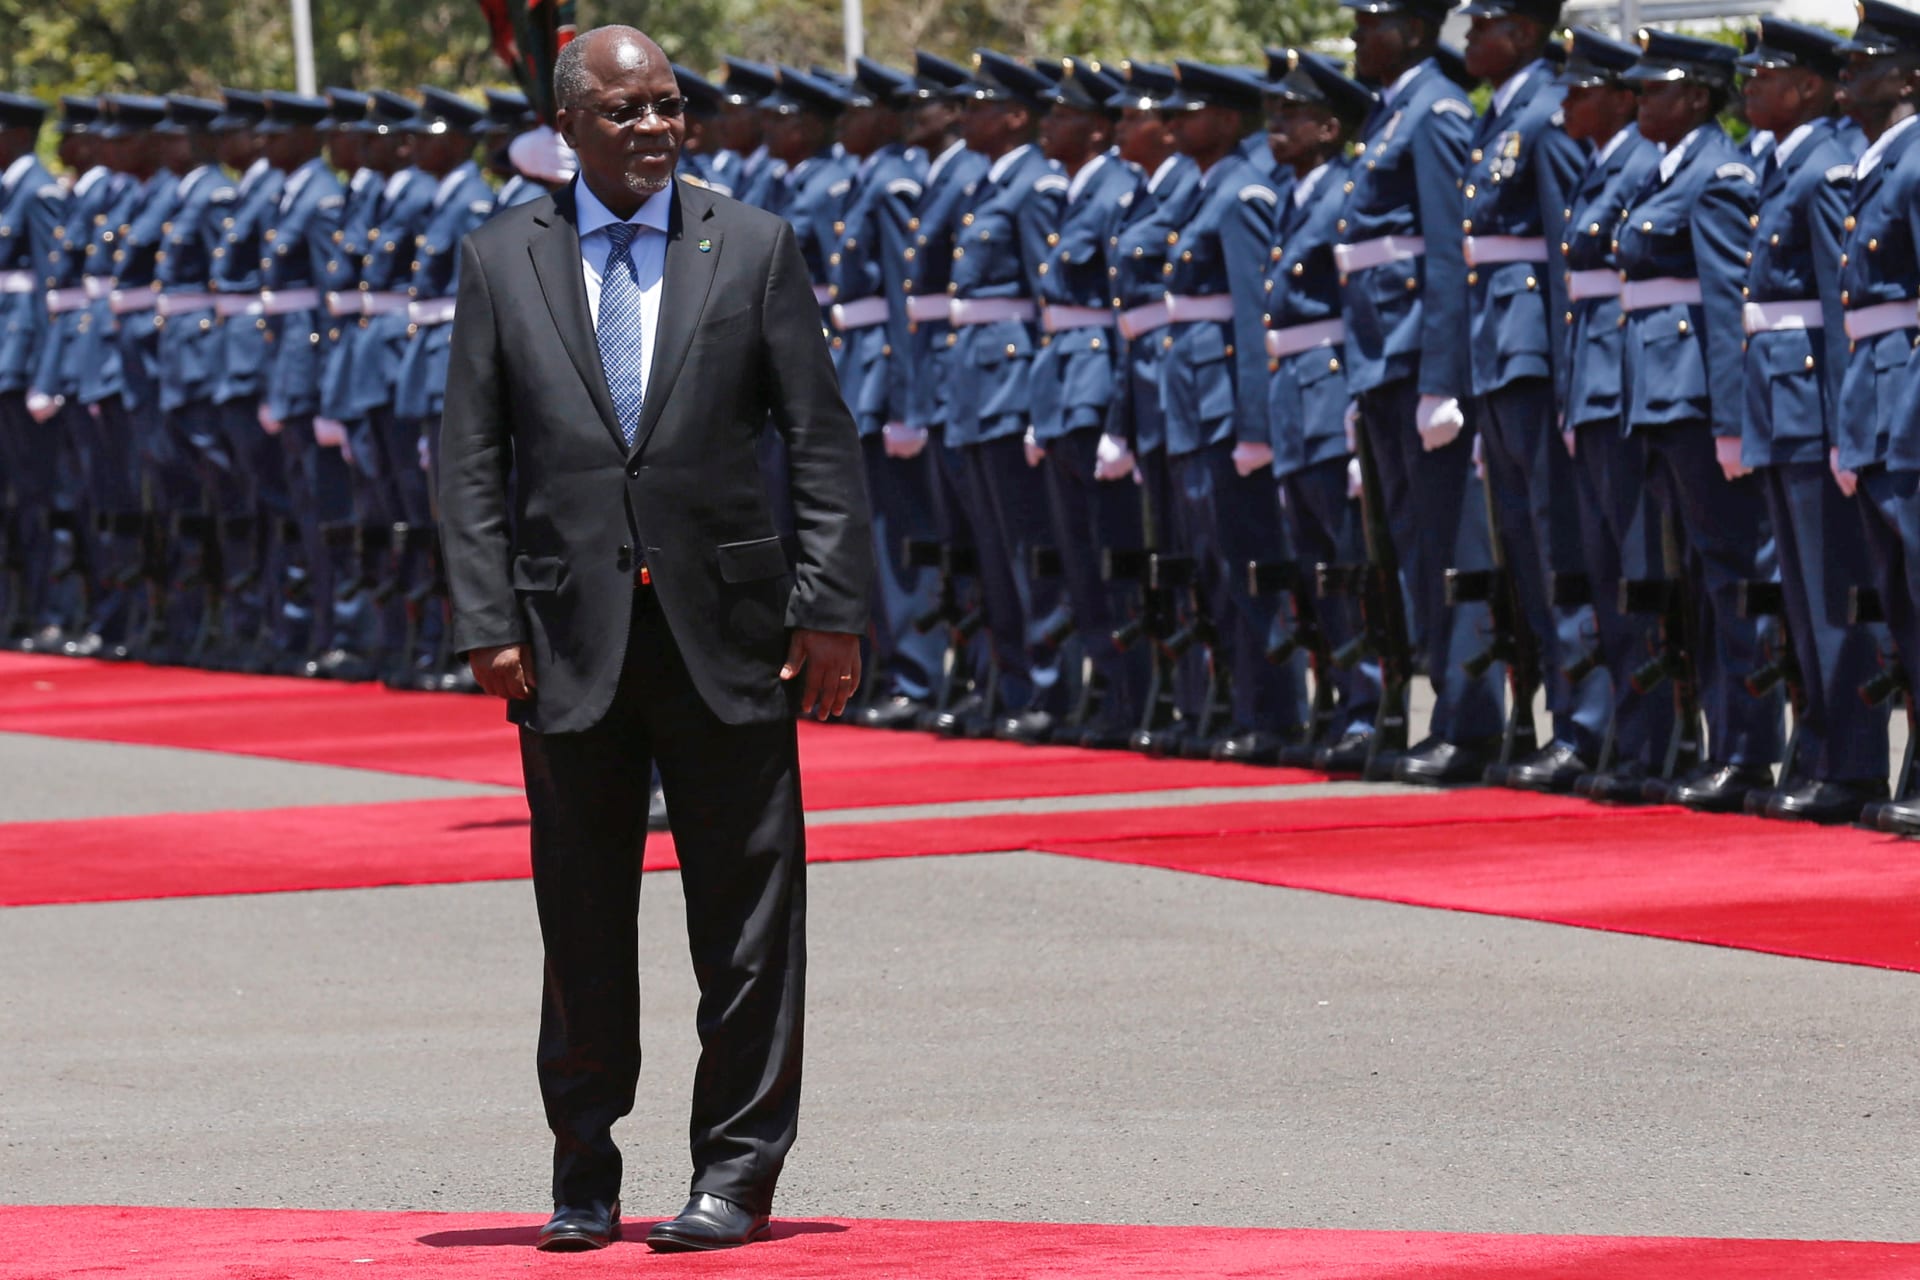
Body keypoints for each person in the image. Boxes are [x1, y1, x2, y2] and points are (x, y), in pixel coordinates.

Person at [437, 23, 872, 1253]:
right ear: (567, 126)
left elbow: (819, 440)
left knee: (748, 918)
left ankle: (735, 1171)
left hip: (729, 634)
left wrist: (831, 607)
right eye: (625, 110)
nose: (653, 129)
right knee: (581, 917)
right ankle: (584, 1169)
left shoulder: (754, 245)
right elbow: (469, 457)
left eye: (669, 107)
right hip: (566, 636)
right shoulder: (500, 257)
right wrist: (485, 618)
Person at [1615, 29, 1782, 812]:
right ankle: (1718, 741)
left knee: (1730, 574)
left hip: (1694, 398)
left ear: (1696, 97)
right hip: (1658, 393)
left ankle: (1747, 750)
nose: (1640, 100)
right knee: (1694, 577)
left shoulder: (1715, 173)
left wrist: (1731, 419)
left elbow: (1723, 306)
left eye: (1655, 89)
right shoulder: (1666, 169)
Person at [1735, 19, 1886, 824]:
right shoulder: (1781, 162)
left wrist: (1841, 423)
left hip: (1810, 402)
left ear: (1808, 88)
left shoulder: (1823, 169)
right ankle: (1821, 749)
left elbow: (1838, 308)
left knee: (1831, 595)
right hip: (1776, 398)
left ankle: (1851, 764)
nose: (1750, 86)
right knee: (1799, 593)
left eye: (1767, 75)